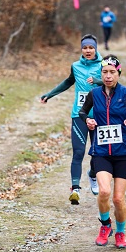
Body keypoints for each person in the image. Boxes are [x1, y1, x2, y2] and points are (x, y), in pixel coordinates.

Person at [79, 54, 126, 248]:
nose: (108, 76)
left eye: (112, 72)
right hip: (101, 151)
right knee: (104, 192)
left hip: (122, 154)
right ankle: (105, 225)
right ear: (101, 74)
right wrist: (88, 120)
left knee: (118, 199)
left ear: (119, 73)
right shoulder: (94, 94)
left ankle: (120, 233)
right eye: (105, 72)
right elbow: (82, 112)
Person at [40, 34, 102, 205]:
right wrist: (49, 94)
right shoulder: (76, 66)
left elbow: (111, 82)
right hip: (79, 114)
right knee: (79, 151)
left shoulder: (104, 65)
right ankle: (75, 188)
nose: (88, 50)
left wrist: (97, 80)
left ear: (95, 48)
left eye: (91, 47)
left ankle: (92, 175)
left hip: (99, 116)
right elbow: (67, 82)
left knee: (98, 153)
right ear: (81, 49)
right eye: (85, 47)